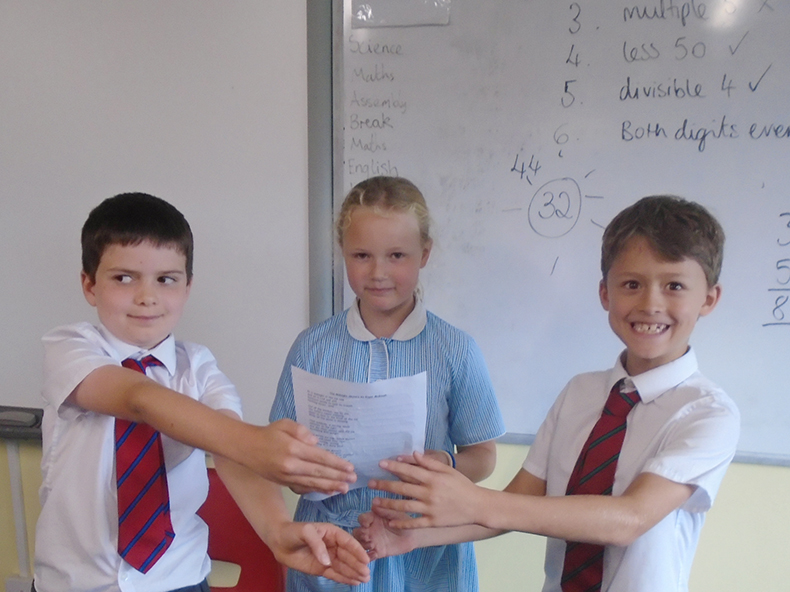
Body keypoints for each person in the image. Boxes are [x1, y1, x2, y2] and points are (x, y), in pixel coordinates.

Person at [357, 195, 741, 592]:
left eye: (674, 285)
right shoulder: (580, 393)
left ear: (709, 298)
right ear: (605, 293)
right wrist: (412, 536)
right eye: (632, 284)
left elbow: (629, 519)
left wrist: (473, 500)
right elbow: (513, 505)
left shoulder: (707, 413)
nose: (650, 304)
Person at [34, 192, 370, 592]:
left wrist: (278, 529)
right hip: (72, 583)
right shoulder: (69, 347)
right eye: (123, 278)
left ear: (187, 287)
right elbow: (138, 399)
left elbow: (231, 450)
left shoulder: (199, 367)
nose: (147, 296)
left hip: (179, 579)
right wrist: (255, 443)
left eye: (166, 279)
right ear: (89, 285)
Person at [269, 176, 506, 591]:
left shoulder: (455, 349)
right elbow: (281, 454)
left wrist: (446, 463)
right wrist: (301, 476)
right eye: (362, 255)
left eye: (397, 255)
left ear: (424, 254)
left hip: (423, 550)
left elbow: (483, 457)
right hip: (332, 548)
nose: (378, 273)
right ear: (343, 252)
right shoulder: (312, 347)